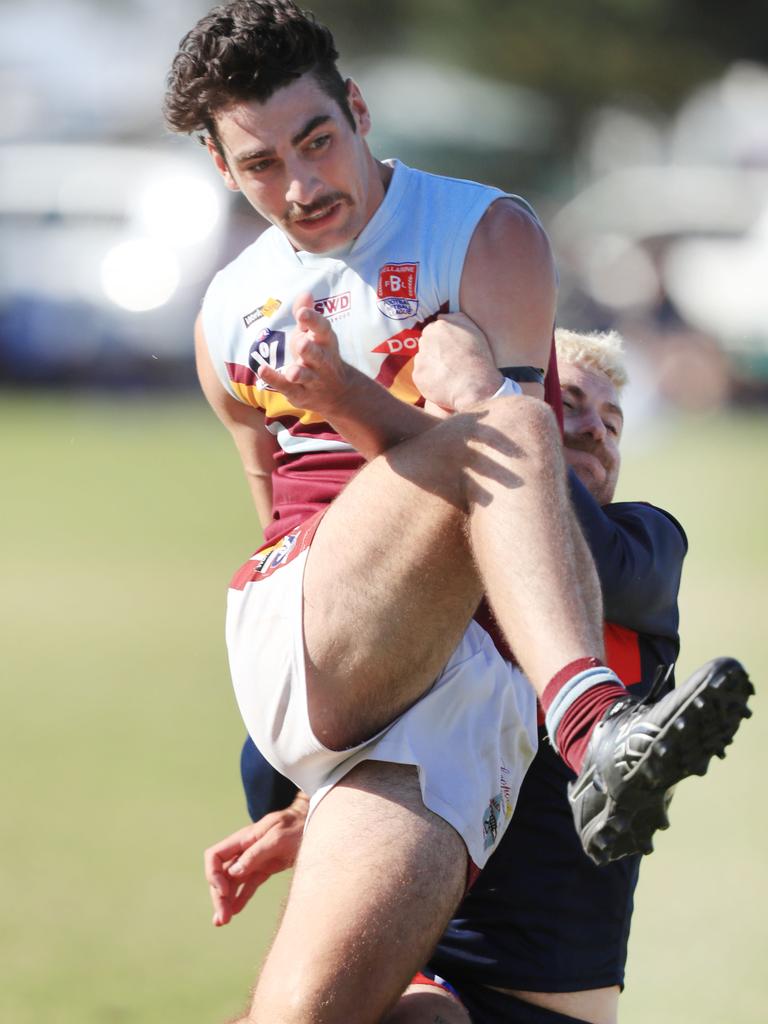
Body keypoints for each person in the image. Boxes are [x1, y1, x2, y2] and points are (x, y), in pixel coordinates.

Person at [164, 3, 752, 1019]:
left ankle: (584, 737)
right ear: (223, 170)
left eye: (317, 142)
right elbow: (289, 534)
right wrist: (357, 401)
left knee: (340, 1013)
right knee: (506, 425)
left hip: (455, 700)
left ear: (358, 108)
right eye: (261, 164)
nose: (301, 187)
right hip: (322, 635)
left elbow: (510, 516)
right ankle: (595, 730)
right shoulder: (228, 314)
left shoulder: (484, 233)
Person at [209, 328, 695, 1024]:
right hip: (425, 975)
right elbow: (272, 757)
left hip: (560, 1005)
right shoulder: (423, 603)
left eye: (613, 423)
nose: (595, 431)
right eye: (573, 407)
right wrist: (298, 813)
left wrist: (486, 404)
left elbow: (569, 535)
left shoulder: (643, 546)